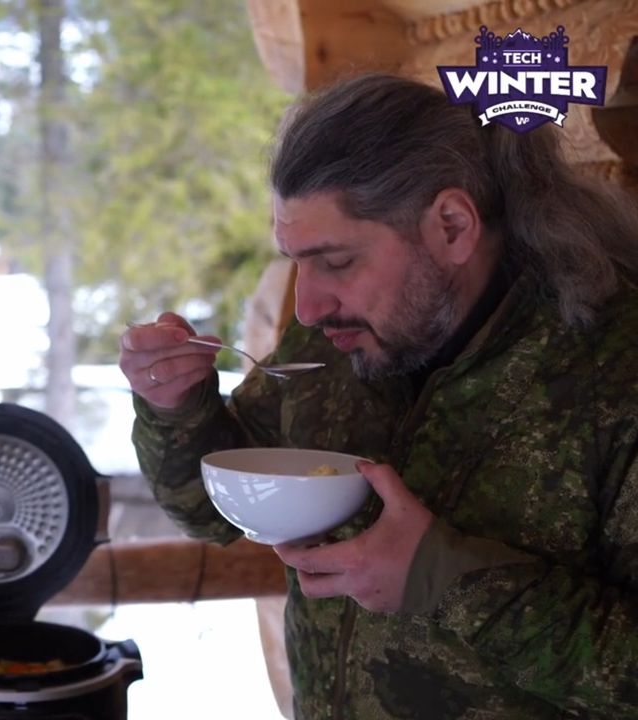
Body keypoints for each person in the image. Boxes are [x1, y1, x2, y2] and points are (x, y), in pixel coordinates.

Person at [120, 73, 638, 718]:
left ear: (451, 225)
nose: (307, 307)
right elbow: (208, 508)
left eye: (336, 262)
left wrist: (449, 579)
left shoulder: (613, 377)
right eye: (295, 260)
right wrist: (176, 406)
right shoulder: (332, 345)